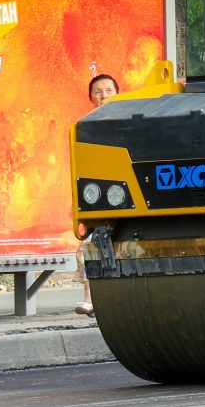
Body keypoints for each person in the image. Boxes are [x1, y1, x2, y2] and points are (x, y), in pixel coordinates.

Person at [76, 72, 120, 318]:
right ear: (91, 97)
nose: (103, 96)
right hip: (99, 199)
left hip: (123, 200)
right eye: (98, 92)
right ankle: (89, 299)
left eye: (108, 91)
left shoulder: (127, 121)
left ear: (117, 93)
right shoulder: (85, 126)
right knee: (86, 251)